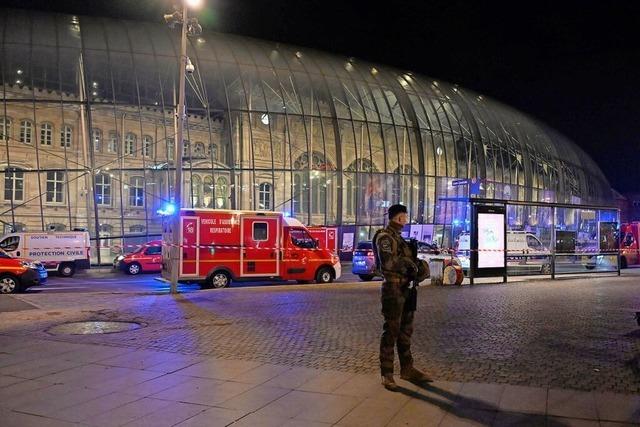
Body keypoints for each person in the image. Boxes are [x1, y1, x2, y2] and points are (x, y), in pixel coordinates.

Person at [373, 204, 431, 391]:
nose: (406, 220)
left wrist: (420, 267)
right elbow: (389, 261)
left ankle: (407, 368)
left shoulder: (401, 239)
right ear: (398, 218)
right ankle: (387, 374)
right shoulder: (384, 237)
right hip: (393, 289)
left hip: (407, 288)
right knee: (391, 330)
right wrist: (409, 264)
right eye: (405, 217)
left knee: (406, 331)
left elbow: (411, 262)